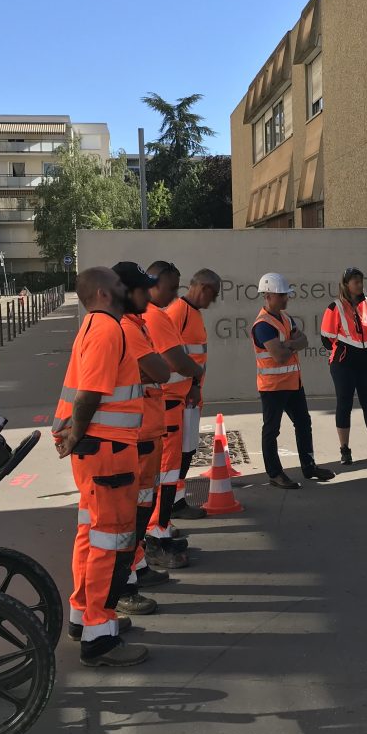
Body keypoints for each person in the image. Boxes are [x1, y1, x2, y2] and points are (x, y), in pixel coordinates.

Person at [52, 266, 149, 667]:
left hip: (96, 451)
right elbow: (90, 392)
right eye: (118, 285)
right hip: (108, 451)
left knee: (90, 537)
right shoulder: (110, 329)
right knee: (110, 542)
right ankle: (99, 634)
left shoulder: (93, 326)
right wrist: (75, 434)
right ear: (104, 294)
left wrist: (74, 436)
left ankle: (82, 618)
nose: (125, 289)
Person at [113, 261, 174, 618]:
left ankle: (135, 572)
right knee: (130, 518)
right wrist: (154, 370)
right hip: (135, 436)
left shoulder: (137, 324)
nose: (148, 294)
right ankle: (124, 587)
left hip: (146, 431)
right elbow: (163, 369)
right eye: (141, 289)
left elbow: (158, 370)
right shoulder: (126, 327)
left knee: (140, 511)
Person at [143, 261, 205, 570]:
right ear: (153, 284)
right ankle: (156, 535)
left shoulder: (155, 315)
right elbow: (176, 360)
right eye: (171, 287)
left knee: (164, 474)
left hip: (169, 404)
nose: (174, 294)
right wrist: (196, 371)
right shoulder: (155, 317)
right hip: (164, 406)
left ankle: (160, 529)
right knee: (166, 474)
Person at [253, 272, 334, 489]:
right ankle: (275, 474)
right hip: (273, 387)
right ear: (268, 295)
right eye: (281, 295)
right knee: (271, 430)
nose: (286, 299)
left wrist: (286, 344)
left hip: (293, 383)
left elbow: (304, 341)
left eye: (286, 295)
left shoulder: (286, 319)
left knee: (303, 423)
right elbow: (278, 356)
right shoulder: (263, 325)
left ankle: (309, 467)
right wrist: (291, 344)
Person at [320, 267, 367, 465]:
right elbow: (326, 338)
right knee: (344, 404)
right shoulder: (335, 307)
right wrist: (345, 347)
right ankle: (345, 449)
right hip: (344, 362)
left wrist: (364, 346)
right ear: (346, 285)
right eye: (356, 282)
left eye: (361, 281)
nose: (360, 285)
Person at [166, 268, 221, 523]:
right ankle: (172, 505)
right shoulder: (179, 313)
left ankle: (175, 502)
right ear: (204, 288)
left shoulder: (192, 314)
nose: (214, 301)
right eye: (214, 295)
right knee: (178, 455)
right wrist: (191, 386)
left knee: (185, 452)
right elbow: (169, 355)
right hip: (179, 398)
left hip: (188, 398)